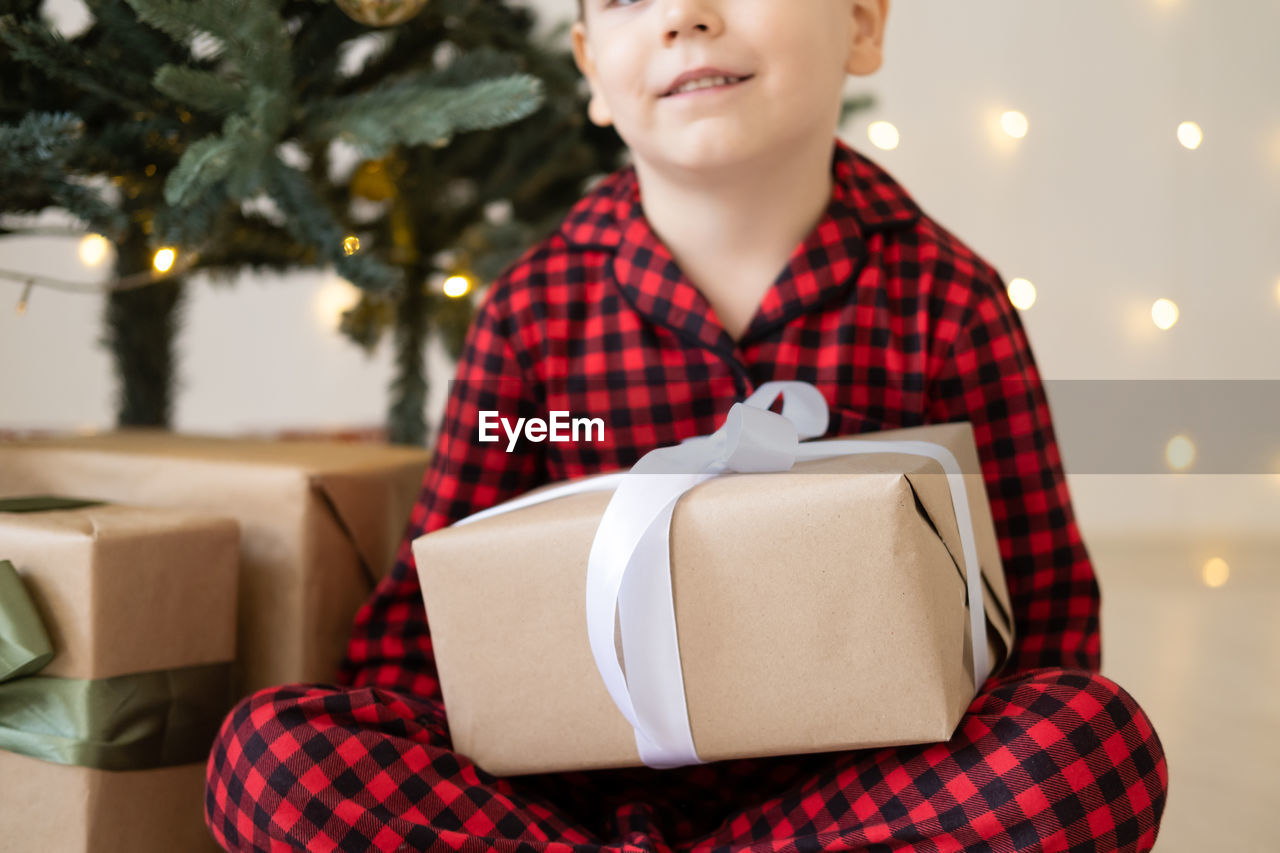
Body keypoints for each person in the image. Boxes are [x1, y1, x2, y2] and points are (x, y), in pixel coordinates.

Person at [204, 1, 1169, 850]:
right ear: (589, 68)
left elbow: (1043, 620)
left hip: (860, 804)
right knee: (270, 756)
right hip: (564, 802)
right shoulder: (533, 317)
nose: (684, 14)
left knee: (1094, 744)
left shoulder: (947, 303)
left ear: (863, 25)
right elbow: (426, 619)